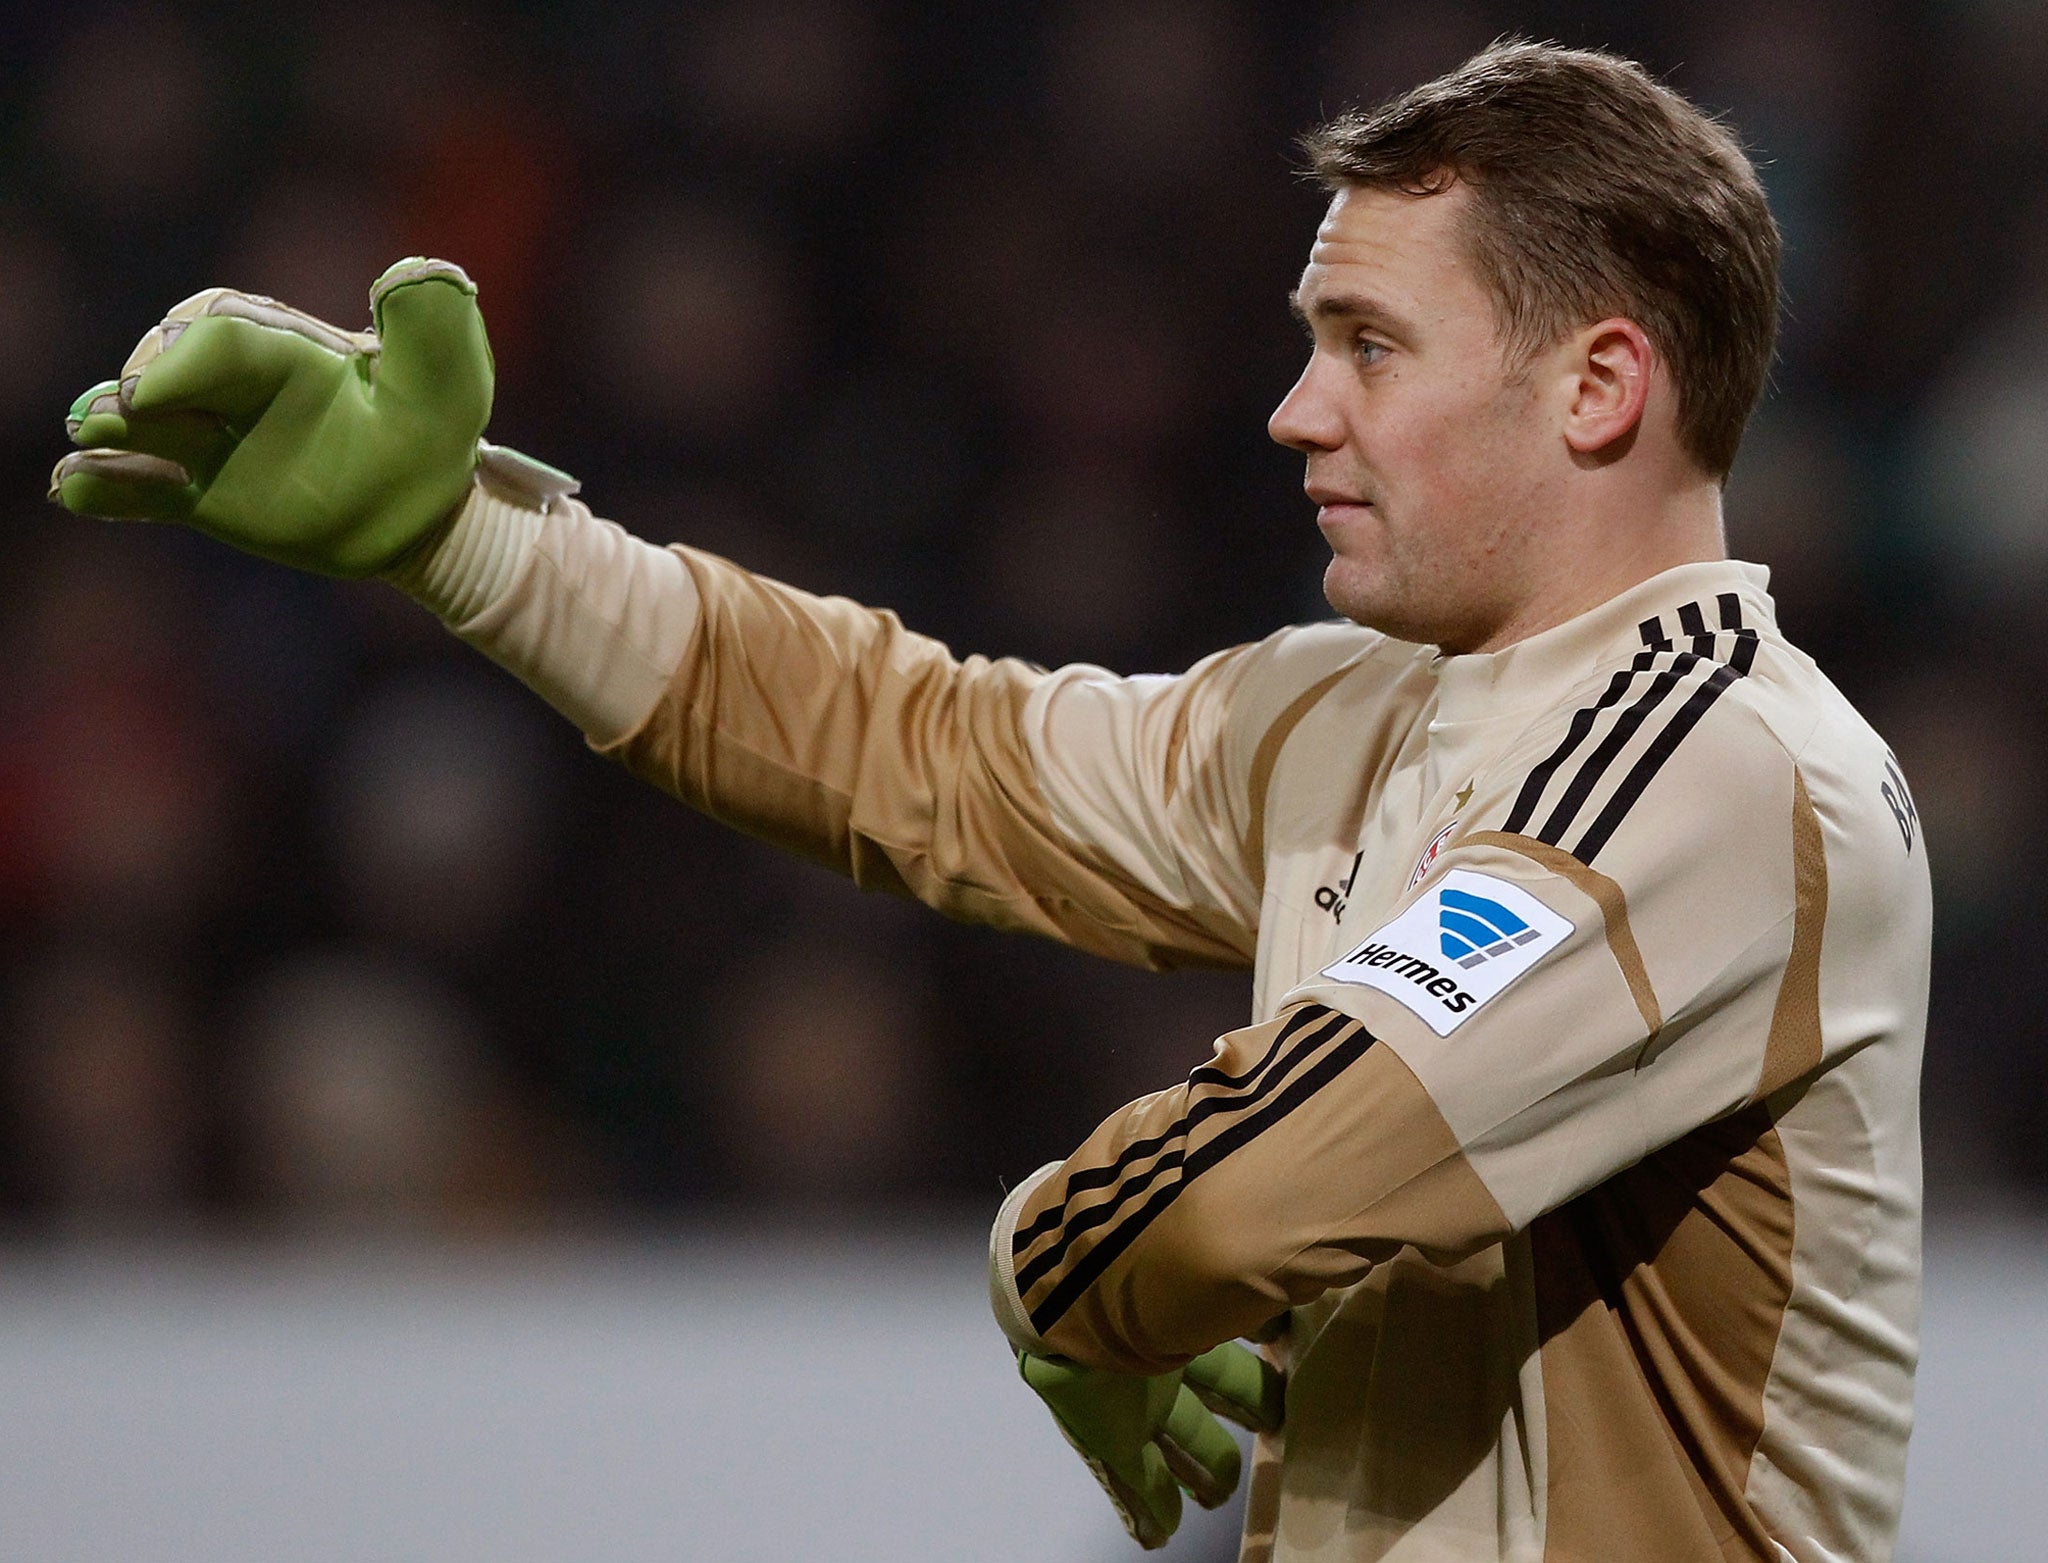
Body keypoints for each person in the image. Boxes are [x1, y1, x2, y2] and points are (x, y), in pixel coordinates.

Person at [50, 39, 1927, 1563]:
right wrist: (469, 548)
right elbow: (925, 751)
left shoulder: (1724, 766)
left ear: (1601, 384)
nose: (1296, 409)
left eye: (1368, 344)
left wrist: (1060, 1262)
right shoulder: (1354, 720)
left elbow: (1252, 1187)